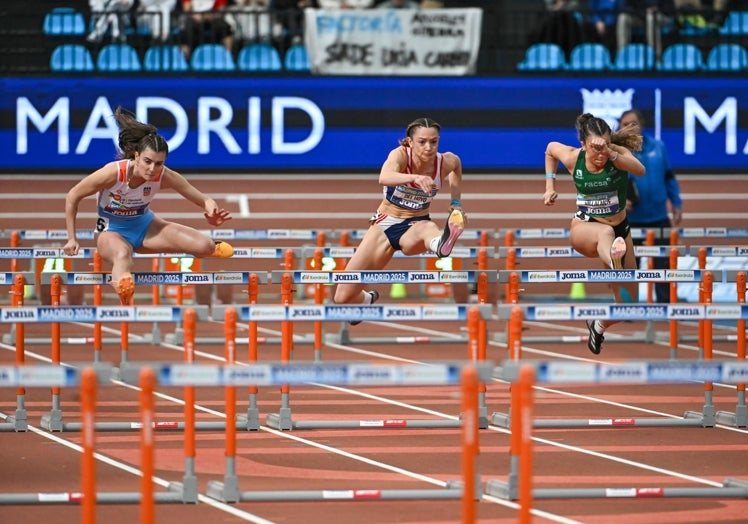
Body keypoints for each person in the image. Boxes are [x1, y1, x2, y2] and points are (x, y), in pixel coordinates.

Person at [62, 107, 234, 306]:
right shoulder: (113, 173)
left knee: (205, 246)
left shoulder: (164, 175)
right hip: (110, 231)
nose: (152, 169)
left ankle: (210, 247)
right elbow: (73, 195)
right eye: (147, 161)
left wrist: (211, 212)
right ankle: (123, 288)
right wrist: (71, 238)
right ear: (136, 156)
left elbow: (204, 199)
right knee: (122, 255)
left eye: (159, 163)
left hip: (146, 227)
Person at [332, 117, 466, 323]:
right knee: (342, 297)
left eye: (434, 142)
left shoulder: (445, 162)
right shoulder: (400, 155)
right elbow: (384, 177)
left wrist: (455, 202)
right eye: (422, 142)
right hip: (385, 224)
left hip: (415, 224)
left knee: (427, 228)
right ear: (410, 142)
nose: (429, 147)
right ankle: (367, 299)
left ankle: (441, 243)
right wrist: (413, 178)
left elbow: (457, 167)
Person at [543, 113, 646, 355]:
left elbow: (640, 170)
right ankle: (615, 262)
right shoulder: (572, 157)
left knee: (629, 305)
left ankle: (597, 325)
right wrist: (550, 186)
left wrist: (611, 152)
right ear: (582, 144)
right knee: (606, 232)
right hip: (584, 228)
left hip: (622, 230)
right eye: (594, 149)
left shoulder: (616, 155)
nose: (600, 156)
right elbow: (549, 150)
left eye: (604, 148)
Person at [620, 109, 682, 303]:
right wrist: (619, 201)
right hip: (630, 220)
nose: (628, 128)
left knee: (664, 264)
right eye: (624, 125)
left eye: (632, 123)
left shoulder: (658, 146)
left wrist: (676, 202)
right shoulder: (616, 152)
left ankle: (665, 304)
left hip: (659, 217)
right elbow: (608, 183)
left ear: (641, 125)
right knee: (629, 266)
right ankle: (627, 307)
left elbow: (669, 176)